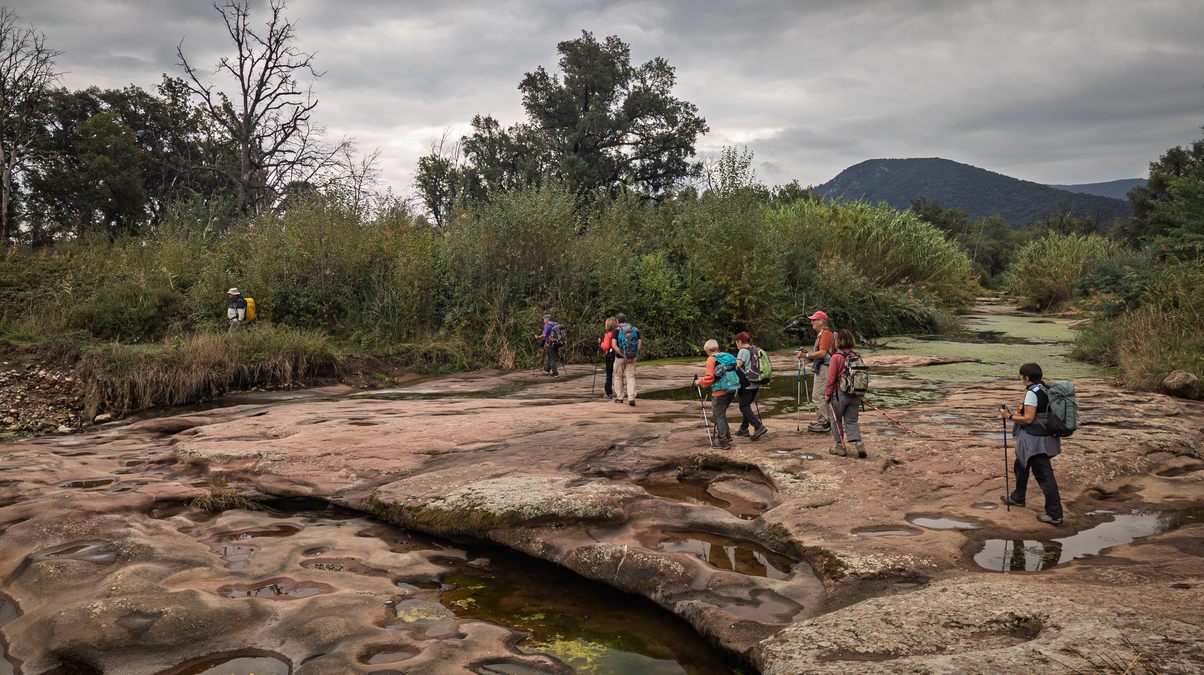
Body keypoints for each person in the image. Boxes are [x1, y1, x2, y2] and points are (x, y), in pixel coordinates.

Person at [998, 362, 1064, 525]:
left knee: (1044, 475)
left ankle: (1055, 514)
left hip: (1035, 442)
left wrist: (1009, 416)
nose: (1020, 379)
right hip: (1044, 436)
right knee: (1020, 465)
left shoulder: (1031, 393)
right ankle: (1018, 497)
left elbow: (1028, 419)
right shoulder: (1045, 388)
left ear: (1026, 378)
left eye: (1020, 376)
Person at [825, 329, 867, 458]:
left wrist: (827, 394)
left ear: (838, 341)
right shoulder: (856, 356)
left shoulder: (836, 357)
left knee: (835, 420)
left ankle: (840, 447)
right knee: (852, 421)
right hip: (855, 394)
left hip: (839, 394)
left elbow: (831, 378)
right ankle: (859, 444)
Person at [794, 310, 834, 433]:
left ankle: (824, 423)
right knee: (823, 395)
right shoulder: (822, 334)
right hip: (823, 367)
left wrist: (806, 355)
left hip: (824, 368)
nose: (812, 322)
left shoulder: (826, 334)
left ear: (821, 321)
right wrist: (807, 355)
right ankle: (828, 421)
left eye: (814, 320)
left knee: (818, 396)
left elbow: (822, 353)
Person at [697, 339, 740, 449]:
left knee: (718, 416)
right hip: (733, 388)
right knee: (721, 414)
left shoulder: (711, 359)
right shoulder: (729, 356)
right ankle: (727, 436)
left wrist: (699, 382)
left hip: (720, 391)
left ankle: (723, 442)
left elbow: (710, 378)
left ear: (708, 349)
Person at [733, 332, 768, 441]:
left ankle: (758, 426)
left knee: (743, 406)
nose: (736, 345)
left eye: (736, 342)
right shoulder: (754, 349)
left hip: (747, 384)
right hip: (756, 382)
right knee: (746, 405)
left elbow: (736, 366)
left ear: (739, 342)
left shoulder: (743, 351)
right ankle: (743, 429)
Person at [612, 313, 642, 407]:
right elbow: (640, 344)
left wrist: (623, 354)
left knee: (618, 376)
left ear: (618, 321)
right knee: (630, 377)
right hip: (632, 357)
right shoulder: (635, 330)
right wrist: (633, 354)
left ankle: (620, 397)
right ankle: (631, 398)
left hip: (619, 357)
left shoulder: (616, 331)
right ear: (625, 320)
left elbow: (614, 345)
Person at [598, 317, 619, 399]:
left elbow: (606, 346)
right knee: (618, 374)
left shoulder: (608, 334)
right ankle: (619, 392)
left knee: (609, 374)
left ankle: (608, 392)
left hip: (610, 355)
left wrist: (600, 343)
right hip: (618, 354)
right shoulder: (618, 332)